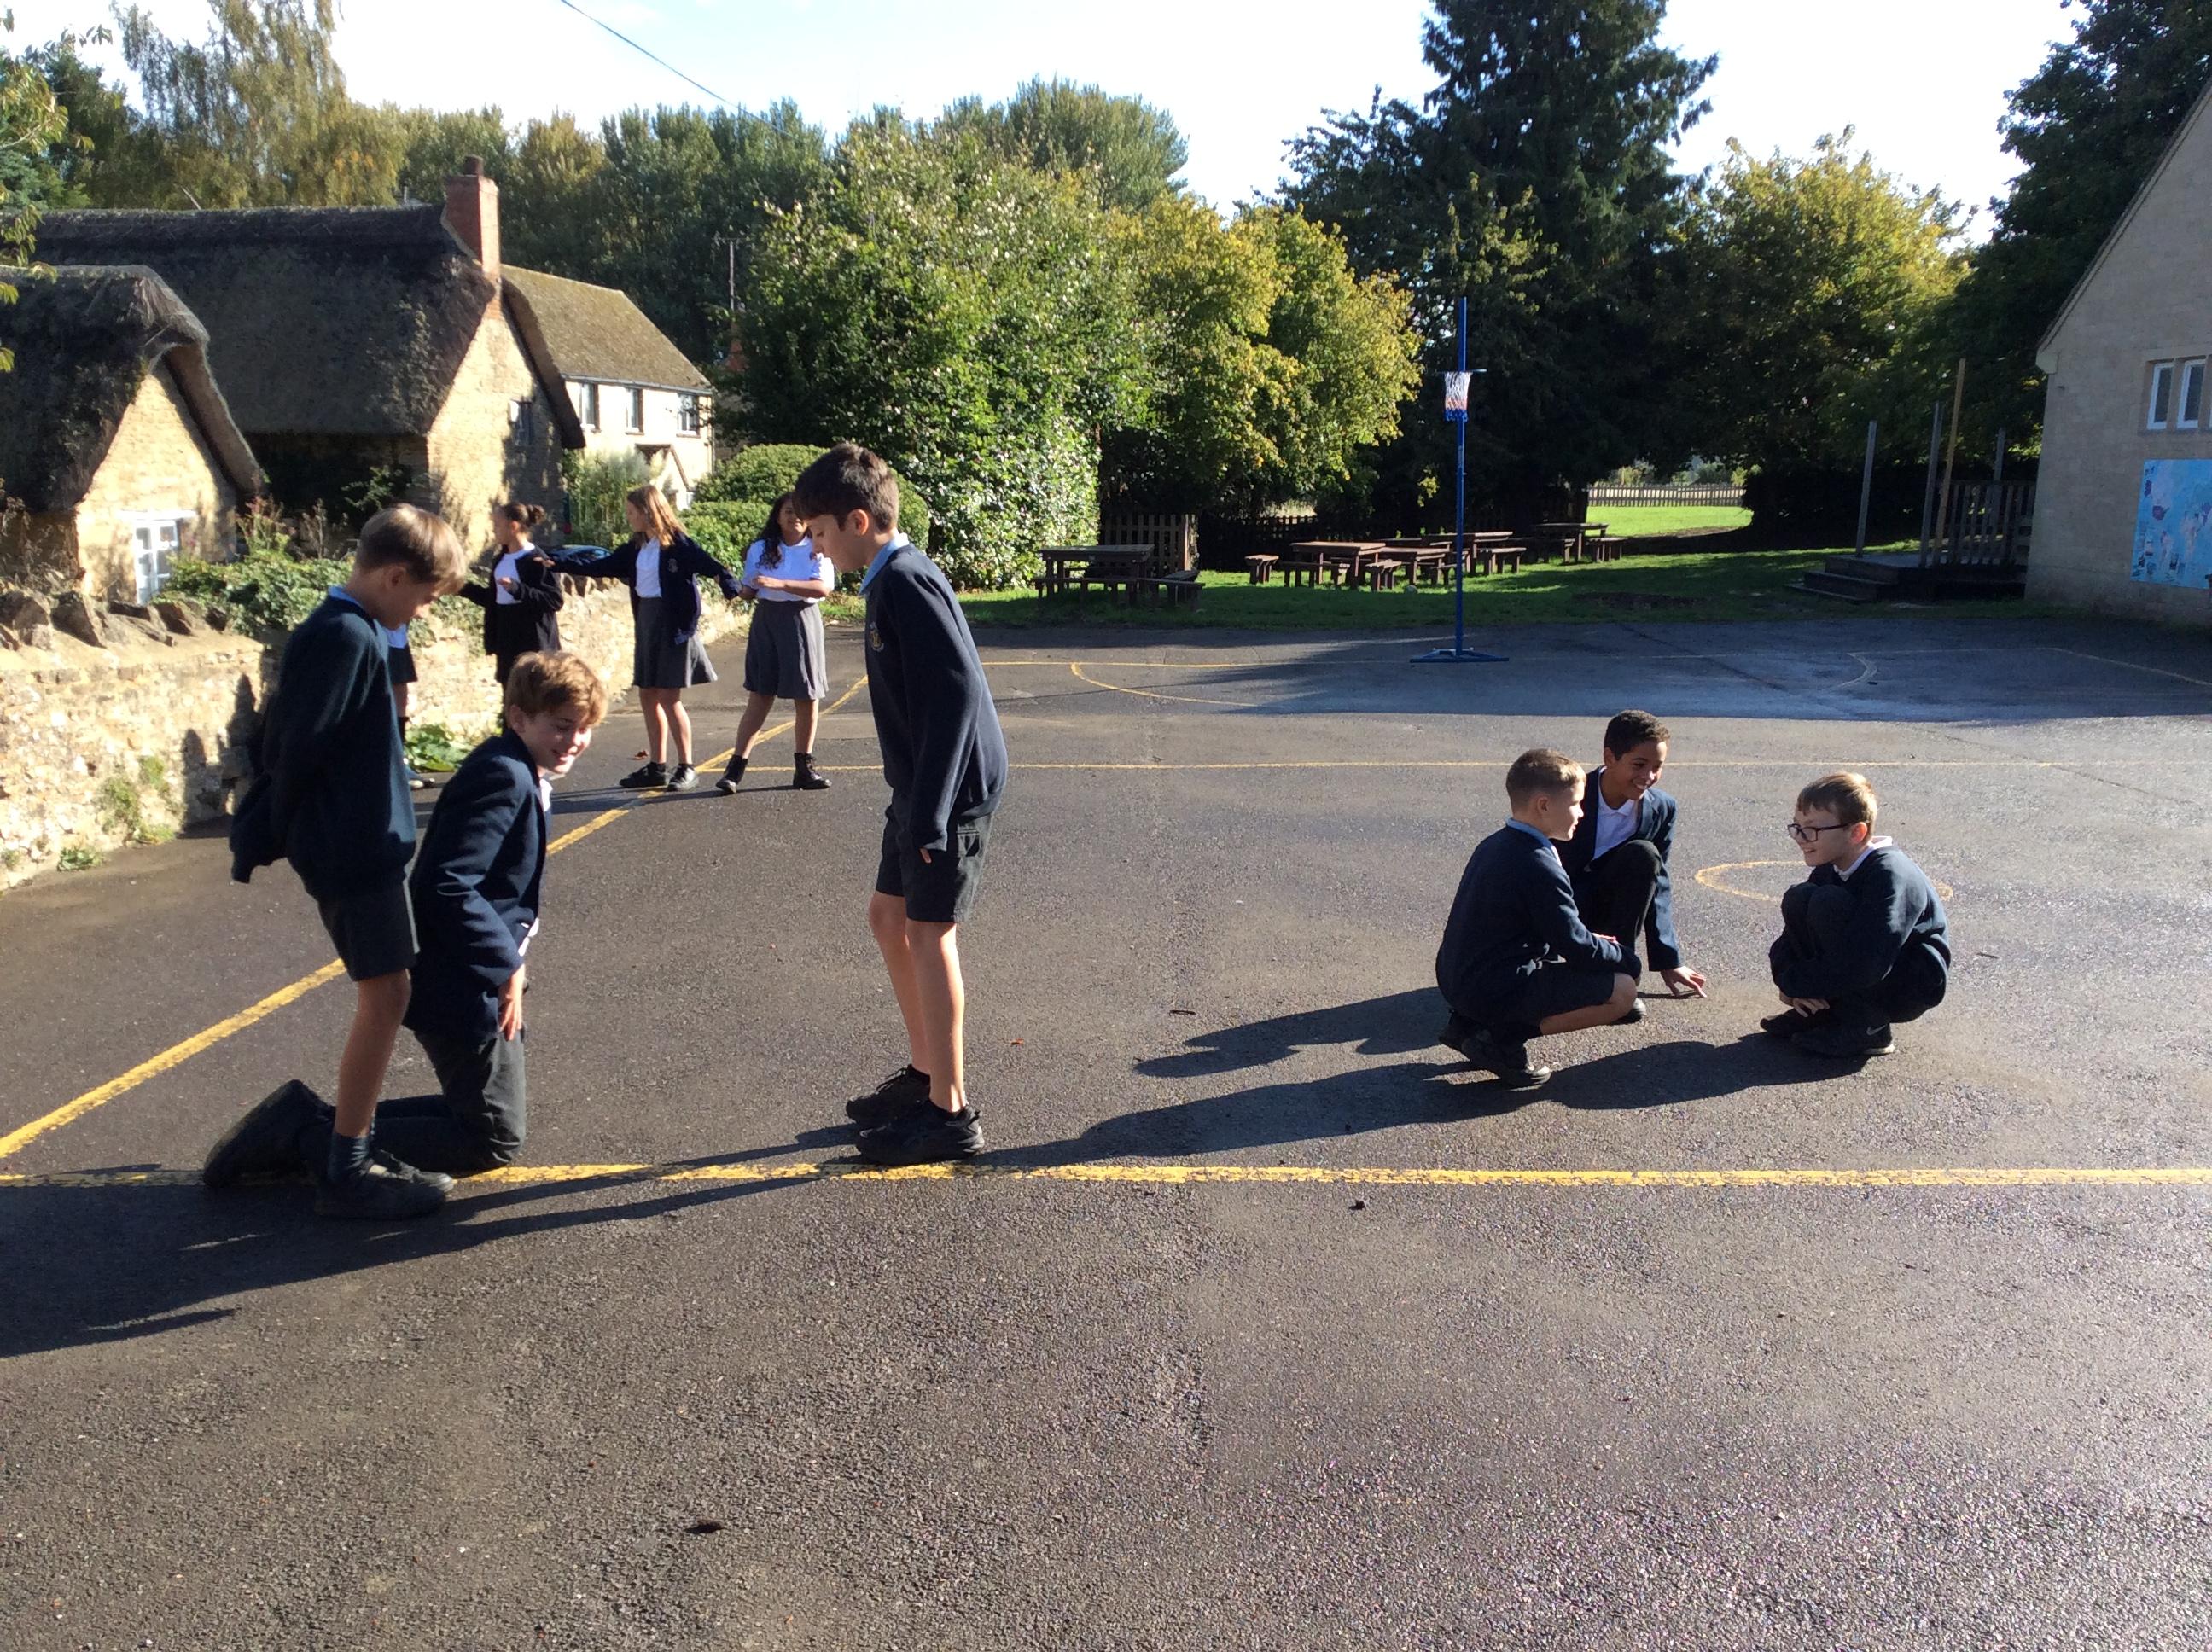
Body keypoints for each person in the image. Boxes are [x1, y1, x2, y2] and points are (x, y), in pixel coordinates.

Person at [206, 652, 608, 1192]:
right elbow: (447, 883)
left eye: (584, 729)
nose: (575, 740)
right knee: (491, 1139)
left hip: (474, 976)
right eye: (561, 726)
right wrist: (507, 965)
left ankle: (320, 1124)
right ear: (518, 717)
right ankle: (306, 1136)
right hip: (462, 982)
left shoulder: (517, 768)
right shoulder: (504, 775)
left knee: (482, 1117)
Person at [222, 504, 469, 1218]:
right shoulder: (344, 635)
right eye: (424, 596)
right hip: (351, 852)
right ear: (392, 576)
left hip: (363, 846)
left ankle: (347, 1148)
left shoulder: (353, 631)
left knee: (391, 992)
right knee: (386, 997)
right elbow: (293, 749)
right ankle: (346, 1165)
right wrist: (267, 831)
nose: (423, 611)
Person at [795, 443, 1006, 1166]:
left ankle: (951, 1113)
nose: (816, 546)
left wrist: (932, 813)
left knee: (928, 933)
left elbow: (957, 696)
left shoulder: (907, 581)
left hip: (948, 793)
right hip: (918, 788)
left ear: (858, 521)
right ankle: (926, 1075)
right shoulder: (885, 580)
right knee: (889, 919)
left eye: (820, 532)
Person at [1435, 748, 1641, 1089]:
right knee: (1623, 992)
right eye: (1576, 803)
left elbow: (1535, 926)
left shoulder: (1497, 843)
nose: (1582, 812)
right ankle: (1500, 1038)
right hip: (1491, 987)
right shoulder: (1537, 863)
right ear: (1543, 805)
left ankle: (1467, 1024)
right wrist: (1627, 960)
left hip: (1458, 979)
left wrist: (1589, 940)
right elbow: (1574, 946)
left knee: (1596, 970)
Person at [549, 483, 742, 791]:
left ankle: (687, 767)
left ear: (647, 511)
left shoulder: (678, 544)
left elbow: (712, 567)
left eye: (631, 512)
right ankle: (657, 766)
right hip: (647, 621)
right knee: (648, 695)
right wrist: (557, 562)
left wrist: (728, 584)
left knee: (669, 698)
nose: (628, 517)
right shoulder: (637, 547)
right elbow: (602, 565)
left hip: (672, 624)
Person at [1767, 771, 1951, 1059]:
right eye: (1797, 827)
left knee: (1827, 903)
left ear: (1856, 833)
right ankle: (1821, 1012)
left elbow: (1869, 960)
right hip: (1864, 968)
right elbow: (1790, 938)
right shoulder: (1830, 866)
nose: (1800, 838)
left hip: (1908, 984)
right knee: (1799, 897)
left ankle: (1868, 1025)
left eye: (1811, 829)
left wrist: (1799, 983)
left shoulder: (1890, 874)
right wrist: (1790, 983)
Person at [1555, 709, 1707, 1015]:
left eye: (1657, 767)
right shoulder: (1568, 795)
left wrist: (1669, 958)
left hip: (1608, 909)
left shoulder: (1662, 807)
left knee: (1644, 855)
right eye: (1639, 764)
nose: (1648, 776)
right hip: (1557, 904)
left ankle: (1618, 969)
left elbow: (1658, 881)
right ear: (1609, 757)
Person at [717, 491, 835, 795]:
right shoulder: (761, 548)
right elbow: (750, 590)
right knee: (760, 694)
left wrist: (781, 583)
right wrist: (733, 587)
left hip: (801, 619)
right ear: (778, 517)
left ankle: (804, 767)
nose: (794, 517)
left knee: (807, 695)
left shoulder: (817, 547)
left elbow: (822, 589)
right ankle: (735, 769)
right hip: (767, 620)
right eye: (788, 511)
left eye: (799, 512)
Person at [458, 501, 564, 683]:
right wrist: (462, 588)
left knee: (534, 695)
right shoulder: (500, 560)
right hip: (507, 644)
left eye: (497, 525)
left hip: (533, 646)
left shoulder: (538, 560)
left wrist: (519, 590)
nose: (493, 530)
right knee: (510, 694)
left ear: (513, 526)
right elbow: (494, 600)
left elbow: (554, 600)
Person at [385, 618, 434, 790]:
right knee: (382, 694)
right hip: (379, 627)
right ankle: (389, 767)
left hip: (396, 632)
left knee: (400, 694)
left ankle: (399, 763)